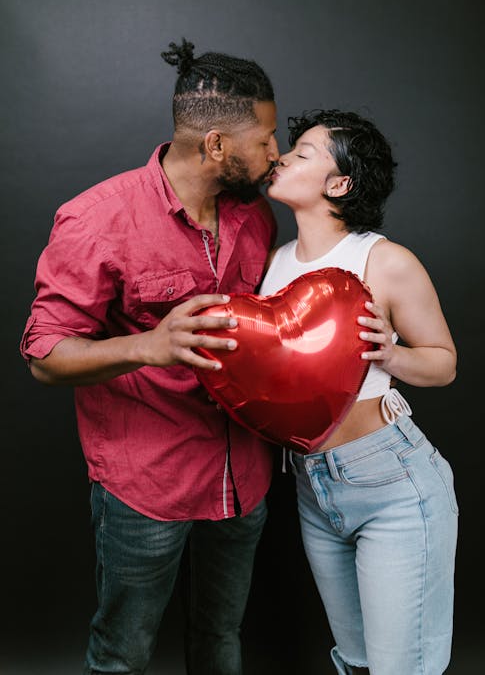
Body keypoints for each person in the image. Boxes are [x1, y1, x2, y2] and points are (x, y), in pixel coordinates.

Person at [20, 38, 279, 675]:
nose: (276, 153)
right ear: (217, 145)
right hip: (147, 484)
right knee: (123, 654)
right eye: (266, 139)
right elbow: (43, 354)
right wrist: (151, 344)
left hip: (242, 477)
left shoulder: (256, 215)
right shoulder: (96, 219)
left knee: (220, 639)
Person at [260, 109, 458, 675]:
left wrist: (390, 354)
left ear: (339, 184)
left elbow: (444, 364)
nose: (282, 158)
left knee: (402, 666)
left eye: (302, 154)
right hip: (311, 486)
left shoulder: (385, 260)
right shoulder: (272, 266)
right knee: (357, 659)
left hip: (393, 484)